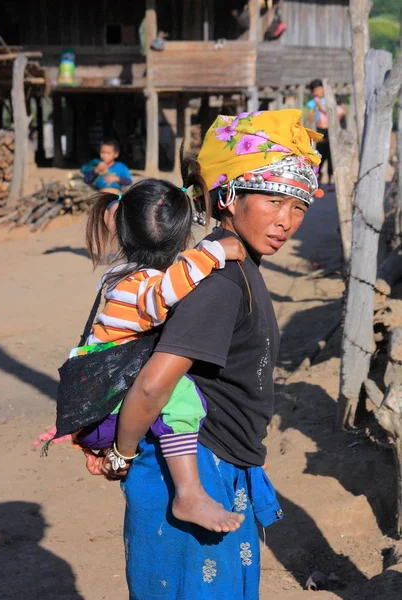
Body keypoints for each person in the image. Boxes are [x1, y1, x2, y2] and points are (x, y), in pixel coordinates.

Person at [85, 109, 323, 599]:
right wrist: (119, 455)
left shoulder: (236, 264)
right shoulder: (219, 283)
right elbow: (154, 385)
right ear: (228, 198)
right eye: (272, 200)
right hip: (192, 473)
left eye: (298, 206)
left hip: (222, 468)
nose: (286, 221)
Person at [70, 178, 247, 534]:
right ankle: (189, 494)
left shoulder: (120, 275)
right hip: (109, 406)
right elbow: (163, 293)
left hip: (94, 401)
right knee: (180, 396)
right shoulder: (143, 286)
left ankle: (106, 452)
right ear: (183, 237)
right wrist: (213, 253)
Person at [306, 79, 335, 191]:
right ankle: (318, 177)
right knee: (319, 156)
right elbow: (310, 118)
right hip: (319, 131)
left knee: (331, 156)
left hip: (330, 131)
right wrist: (315, 108)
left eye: (321, 89)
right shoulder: (312, 103)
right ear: (313, 91)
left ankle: (330, 181)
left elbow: (333, 114)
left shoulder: (328, 101)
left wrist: (322, 107)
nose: (319, 92)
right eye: (317, 90)